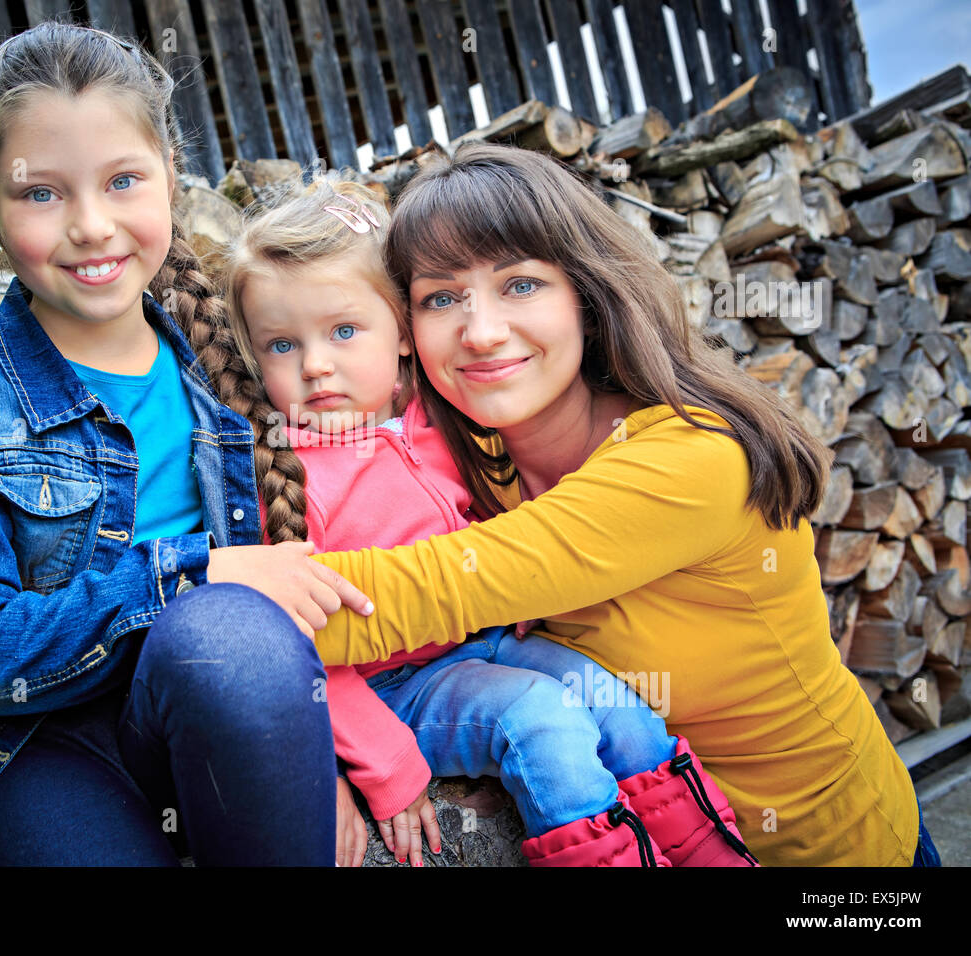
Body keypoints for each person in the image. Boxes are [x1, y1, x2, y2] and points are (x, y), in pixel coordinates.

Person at [304, 143, 940, 867]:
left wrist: (190, 589)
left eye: (519, 285)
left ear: (585, 291)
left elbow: (427, 594)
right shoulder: (474, 465)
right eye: (440, 298)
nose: (479, 331)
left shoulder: (690, 458)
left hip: (833, 857)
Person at [0, 21, 374, 867]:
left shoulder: (236, 364)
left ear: (171, 181)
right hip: (33, 750)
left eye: (123, 181)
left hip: (219, 715)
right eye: (42, 193)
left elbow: (302, 571)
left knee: (232, 637)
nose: (92, 226)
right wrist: (195, 572)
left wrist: (315, 745)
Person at [219, 179, 759, 867]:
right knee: (539, 721)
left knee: (619, 707)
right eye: (281, 345)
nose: (317, 364)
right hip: (398, 686)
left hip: (490, 642)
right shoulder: (288, 478)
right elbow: (294, 650)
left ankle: (717, 857)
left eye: (344, 331)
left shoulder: (444, 427)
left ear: (404, 337)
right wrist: (384, 766)